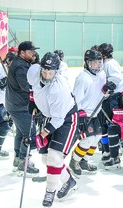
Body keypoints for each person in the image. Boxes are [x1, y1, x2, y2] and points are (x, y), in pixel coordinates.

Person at [27, 52, 79, 207]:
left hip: (66, 120)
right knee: (45, 158)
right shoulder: (33, 72)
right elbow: (34, 88)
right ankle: (69, 180)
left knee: (55, 157)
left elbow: (58, 119)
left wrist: (41, 135)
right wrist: (33, 100)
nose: (47, 75)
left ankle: (50, 191)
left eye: (51, 72)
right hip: (50, 116)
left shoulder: (59, 88)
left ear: (56, 72)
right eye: (45, 70)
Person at [69, 49, 108, 176]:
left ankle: (84, 161)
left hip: (96, 112)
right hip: (84, 114)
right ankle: (74, 161)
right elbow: (75, 99)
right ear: (88, 63)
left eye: (99, 61)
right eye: (95, 62)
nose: (98, 64)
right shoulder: (83, 78)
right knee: (87, 139)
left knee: (97, 138)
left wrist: (107, 89)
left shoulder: (102, 74)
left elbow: (101, 91)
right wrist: (79, 116)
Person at [5, 41, 40, 176]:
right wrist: (40, 85)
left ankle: (18, 160)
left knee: (21, 133)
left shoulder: (22, 64)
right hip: (19, 106)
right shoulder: (20, 67)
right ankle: (23, 163)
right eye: (31, 51)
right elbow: (26, 86)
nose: (34, 54)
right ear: (22, 53)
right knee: (30, 134)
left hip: (16, 104)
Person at [97, 43, 123, 163]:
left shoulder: (111, 64)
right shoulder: (106, 63)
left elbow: (117, 79)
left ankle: (114, 153)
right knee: (103, 125)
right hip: (107, 98)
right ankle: (106, 150)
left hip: (113, 98)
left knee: (111, 126)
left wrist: (106, 86)